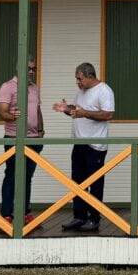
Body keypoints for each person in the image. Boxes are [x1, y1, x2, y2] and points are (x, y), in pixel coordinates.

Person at [53, 63, 115, 233]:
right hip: (78, 143)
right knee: (77, 182)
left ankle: (94, 219)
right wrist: (67, 109)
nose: (77, 82)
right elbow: (77, 111)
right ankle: (79, 217)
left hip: (95, 145)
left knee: (94, 183)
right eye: (76, 79)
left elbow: (108, 114)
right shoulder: (81, 92)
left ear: (89, 76)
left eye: (79, 79)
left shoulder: (104, 90)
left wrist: (84, 113)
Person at [0, 56, 44, 225]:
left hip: (33, 140)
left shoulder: (34, 88)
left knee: (27, 177)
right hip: (14, 139)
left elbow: (37, 110)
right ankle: (7, 215)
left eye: (33, 69)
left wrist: (40, 132)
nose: (31, 72)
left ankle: (25, 212)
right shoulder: (8, 87)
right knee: (11, 176)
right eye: (29, 68)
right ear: (19, 69)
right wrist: (13, 116)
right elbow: (3, 112)